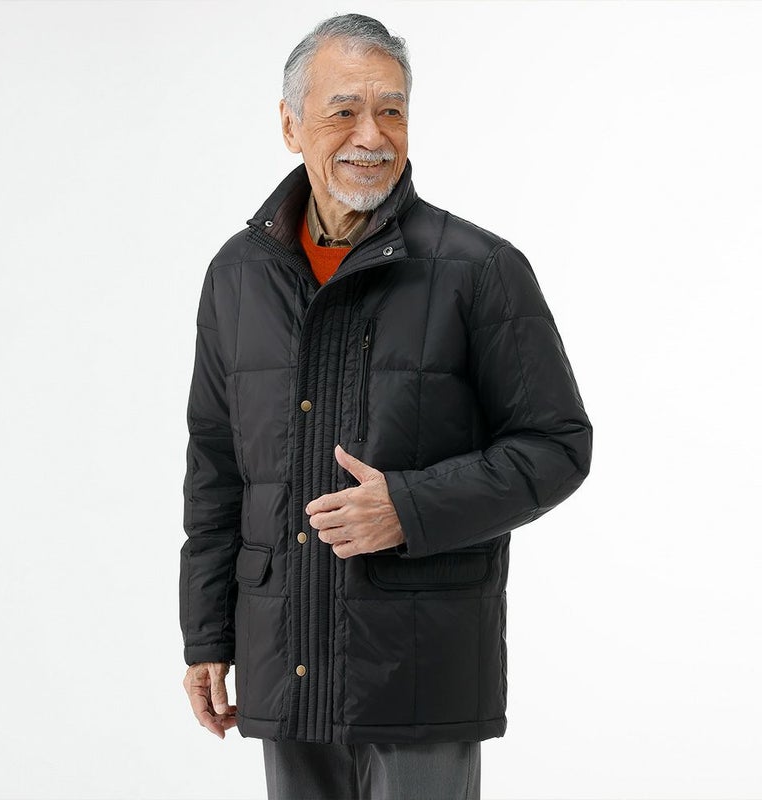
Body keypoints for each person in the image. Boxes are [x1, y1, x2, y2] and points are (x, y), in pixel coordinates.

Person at [179, 13, 593, 800]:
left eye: (391, 110)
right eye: (344, 111)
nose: (371, 135)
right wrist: (206, 633)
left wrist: (408, 507)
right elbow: (216, 466)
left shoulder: (478, 269)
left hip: (420, 671)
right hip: (283, 661)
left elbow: (558, 446)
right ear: (290, 125)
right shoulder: (237, 275)